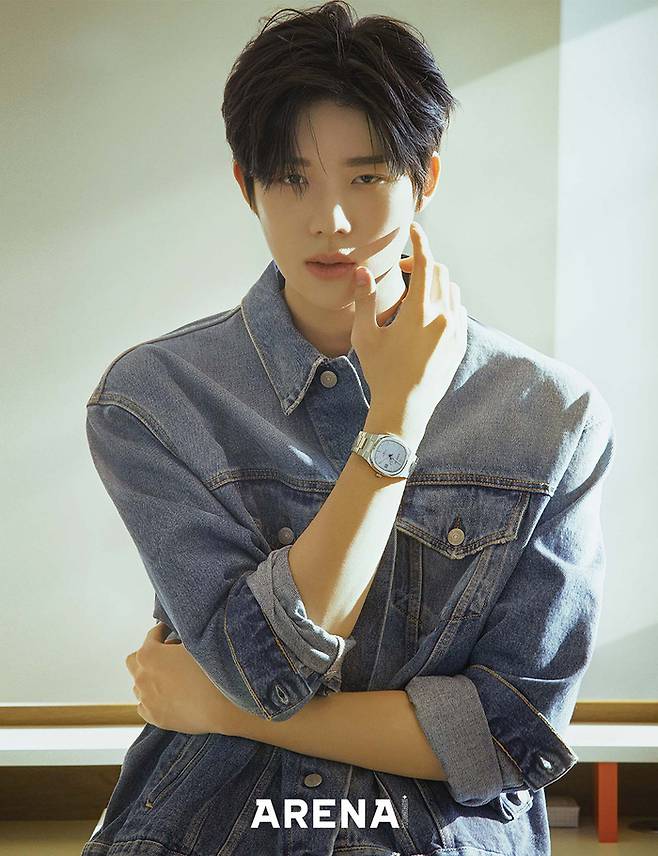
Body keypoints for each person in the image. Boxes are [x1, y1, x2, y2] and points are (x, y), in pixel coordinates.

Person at [81, 2, 616, 855]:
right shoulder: (154, 399)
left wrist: (219, 705)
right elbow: (270, 664)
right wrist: (396, 415)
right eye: (293, 180)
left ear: (424, 178)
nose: (330, 219)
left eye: (366, 179)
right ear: (246, 184)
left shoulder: (552, 416)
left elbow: (513, 736)